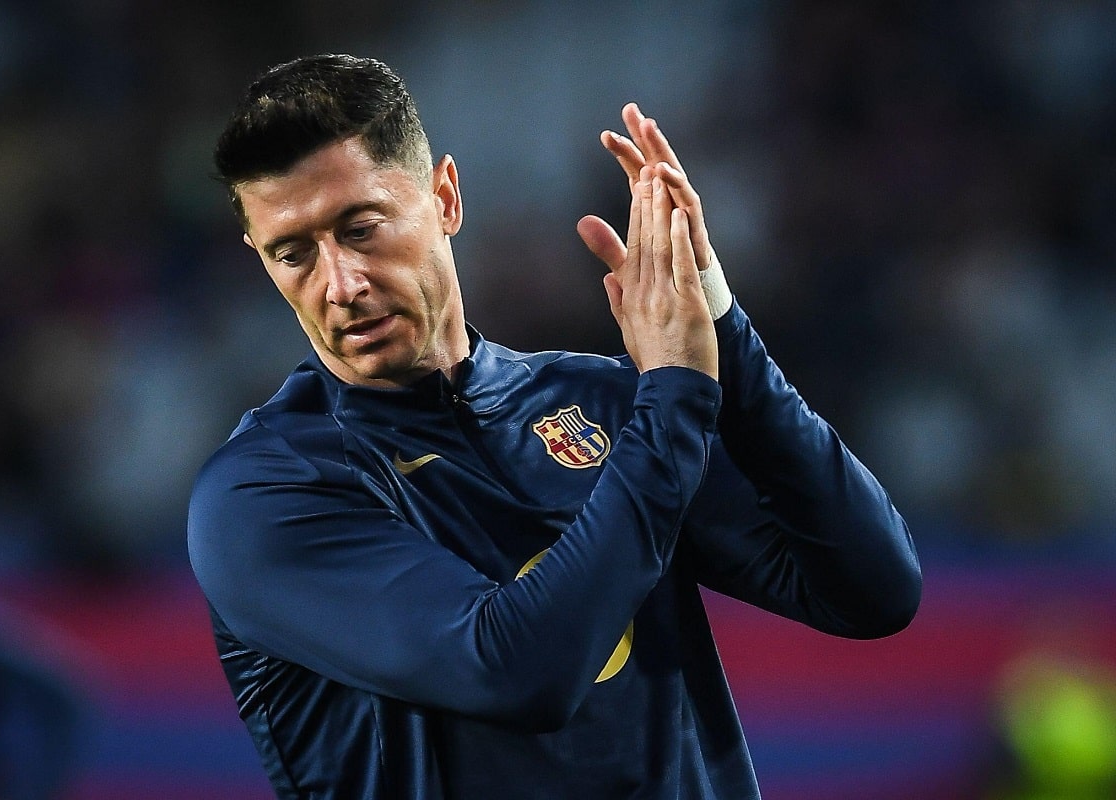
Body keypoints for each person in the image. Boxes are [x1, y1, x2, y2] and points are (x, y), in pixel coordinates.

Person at [187, 53, 921, 800]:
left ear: (444, 197)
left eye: (362, 229)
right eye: (293, 254)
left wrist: (718, 322)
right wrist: (675, 393)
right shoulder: (265, 493)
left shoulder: (603, 404)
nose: (340, 284)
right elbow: (514, 671)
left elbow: (874, 591)